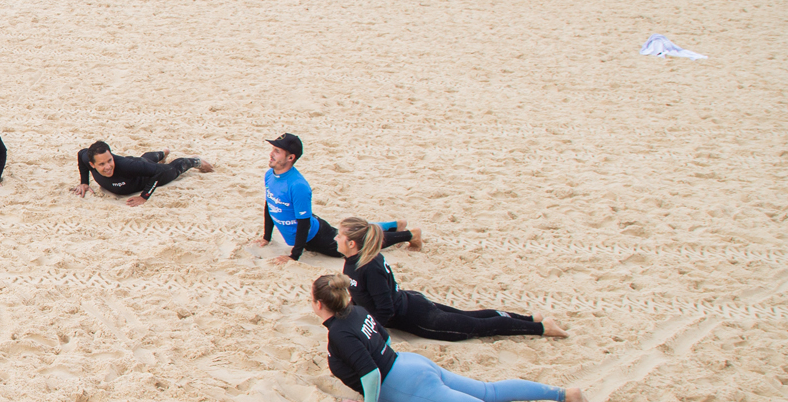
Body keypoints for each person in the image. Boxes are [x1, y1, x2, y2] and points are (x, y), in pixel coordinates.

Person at [311, 273, 592, 402]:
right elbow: (382, 337)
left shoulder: (338, 333)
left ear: (319, 304)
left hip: (406, 384)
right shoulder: (357, 311)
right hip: (411, 364)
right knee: (489, 391)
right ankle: (566, 395)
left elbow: (371, 374)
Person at [338, 218, 563, 341]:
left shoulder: (368, 267)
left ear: (352, 244)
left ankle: (541, 328)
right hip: (411, 301)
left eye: (340, 235)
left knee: (478, 326)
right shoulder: (353, 261)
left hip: (418, 316)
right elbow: (358, 294)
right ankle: (531, 318)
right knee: (469, 315)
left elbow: (385, 310)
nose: (336, 238)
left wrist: (367, 331)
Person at [249, 134, 418, 264]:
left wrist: (294, 255)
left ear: (290, 158)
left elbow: (303, 222)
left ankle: (409, 235)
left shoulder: (298, 185)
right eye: (273, 149)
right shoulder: (270, 175)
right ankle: (395, 225)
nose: (271, 154)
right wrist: (266, 237)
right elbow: (270, 205)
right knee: (352, 234)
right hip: (307, 232)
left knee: (358, 244)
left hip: (316, 236)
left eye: (277, 151)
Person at [73, 141, 213, 205]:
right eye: (102, 164)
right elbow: (80, 154)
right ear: (92, 164)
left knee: (171, 169)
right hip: (138, 164)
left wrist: (144, 196)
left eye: (110, 160)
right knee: (144, 161)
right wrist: (84, 182)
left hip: (144, 178)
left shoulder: (126, 166)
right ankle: (161, 153)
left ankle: (195, 161)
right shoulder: (87, 158)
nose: (108, 166)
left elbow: (158, 172)